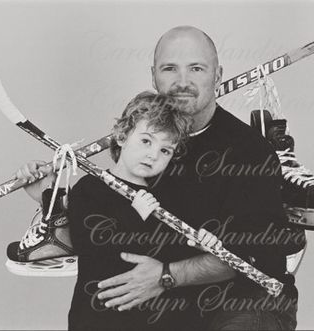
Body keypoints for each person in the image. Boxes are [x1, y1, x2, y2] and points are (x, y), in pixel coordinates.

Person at [94, 26, 305, 330]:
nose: (182, 82)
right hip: (167, 297)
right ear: (154, 76)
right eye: (170, 69)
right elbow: (111, 214)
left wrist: (165, 275)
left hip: (245, 299)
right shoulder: (142, 145)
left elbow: (245, 256)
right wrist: (50, 197)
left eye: (196, 68)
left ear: (217, 75)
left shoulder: (250, 153)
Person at [15, 91, 223, 330]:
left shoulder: (170, 198)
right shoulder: (91, 188)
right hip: (99, 318)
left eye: (165, 150)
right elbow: (93, 246)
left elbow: (174, 257)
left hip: (158, 321)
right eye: (146, 141)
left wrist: (203, 243)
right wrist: (46, 193)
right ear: (122, 136)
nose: (153, 155)